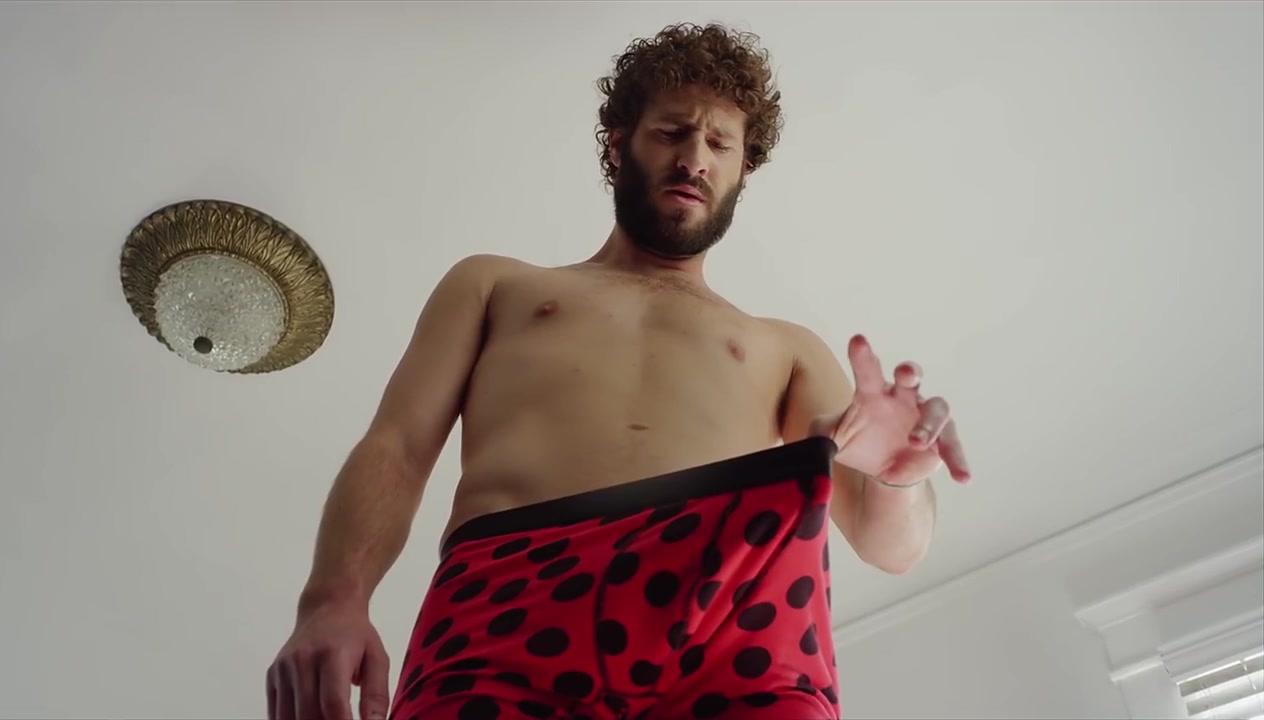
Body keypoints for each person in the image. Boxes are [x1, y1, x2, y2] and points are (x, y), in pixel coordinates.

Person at [266, 22, 970, 720]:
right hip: (508, 607)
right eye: (672, 132)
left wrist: (897, 477)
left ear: (741, 173)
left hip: (727, 625)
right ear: (618, 144)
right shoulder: (495, 286)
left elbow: (890, 545)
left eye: (719, 144)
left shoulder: (783, 348)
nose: (694, 158)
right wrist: (333, 598)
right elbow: (396, 446)